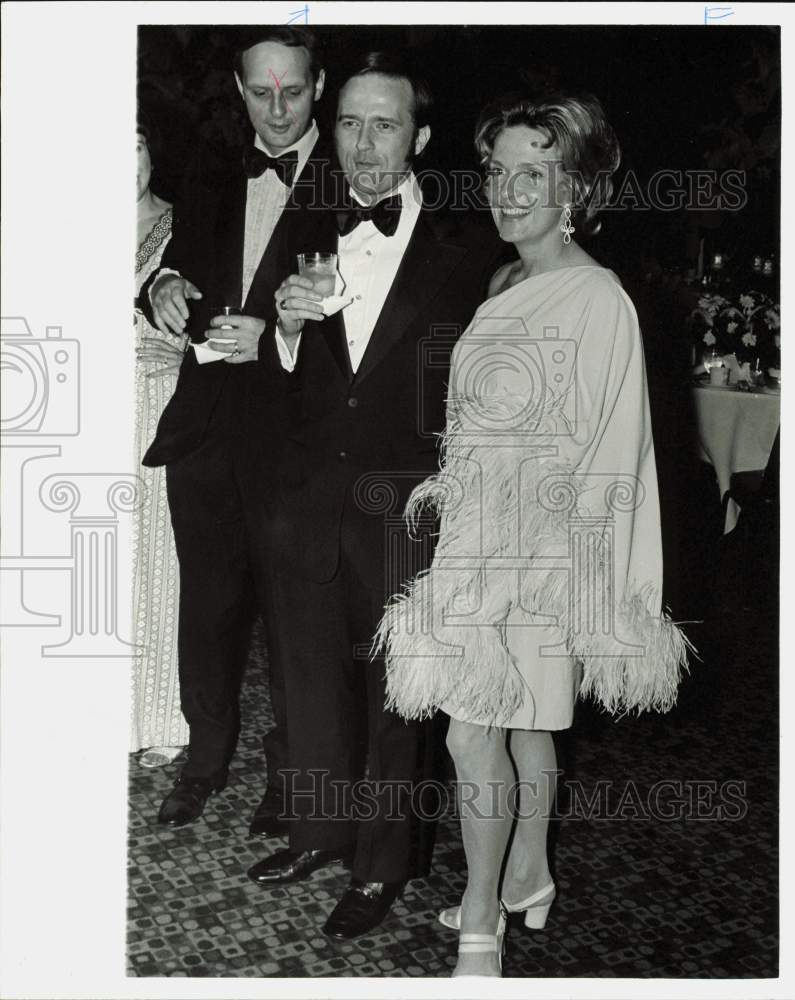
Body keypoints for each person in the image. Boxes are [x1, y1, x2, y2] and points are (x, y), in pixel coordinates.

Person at [376, 92, 692, 976]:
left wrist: (560, 578)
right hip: (478, 532)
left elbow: (610, 452)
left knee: (472, 730)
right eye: (497, 173)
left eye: (533, 175)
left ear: (577, 187)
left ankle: (483, 919)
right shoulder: (504, 282)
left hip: (541, 552)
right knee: (524, 729)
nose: (508, 193)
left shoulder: (601, 299)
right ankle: (528, 874)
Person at [234, 51, 500, 940]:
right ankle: (319, 830)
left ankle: (382, 869)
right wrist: (285, 327)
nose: (361, 143)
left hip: (408, 508)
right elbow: (275, 368)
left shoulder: (470, 254)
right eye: (348, 122)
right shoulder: (308, 217)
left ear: (420, 136)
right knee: (307, 678)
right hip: (307, 497)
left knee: (397, 700)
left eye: (383, 124)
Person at [137, 26, 328, 834]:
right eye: (260, 91)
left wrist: (288, 338)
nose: (277, 109)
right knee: (206, 611)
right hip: (207, 432)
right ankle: (203, 764)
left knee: (291, 623)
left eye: (293, 90)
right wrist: (168, 286)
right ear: (239, 89)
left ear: (320, 86)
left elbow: (379, 330)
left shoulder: (353, 179)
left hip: (296, 442)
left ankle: (290, 784)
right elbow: (177, 269)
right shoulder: (212, 170)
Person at [131, 120, 188, 767]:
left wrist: (179, 354)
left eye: (137, 144)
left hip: (157, 407)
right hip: (93, 406)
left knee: (158, 559)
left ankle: (162, 717)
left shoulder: (184, 225)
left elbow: (213, 316)